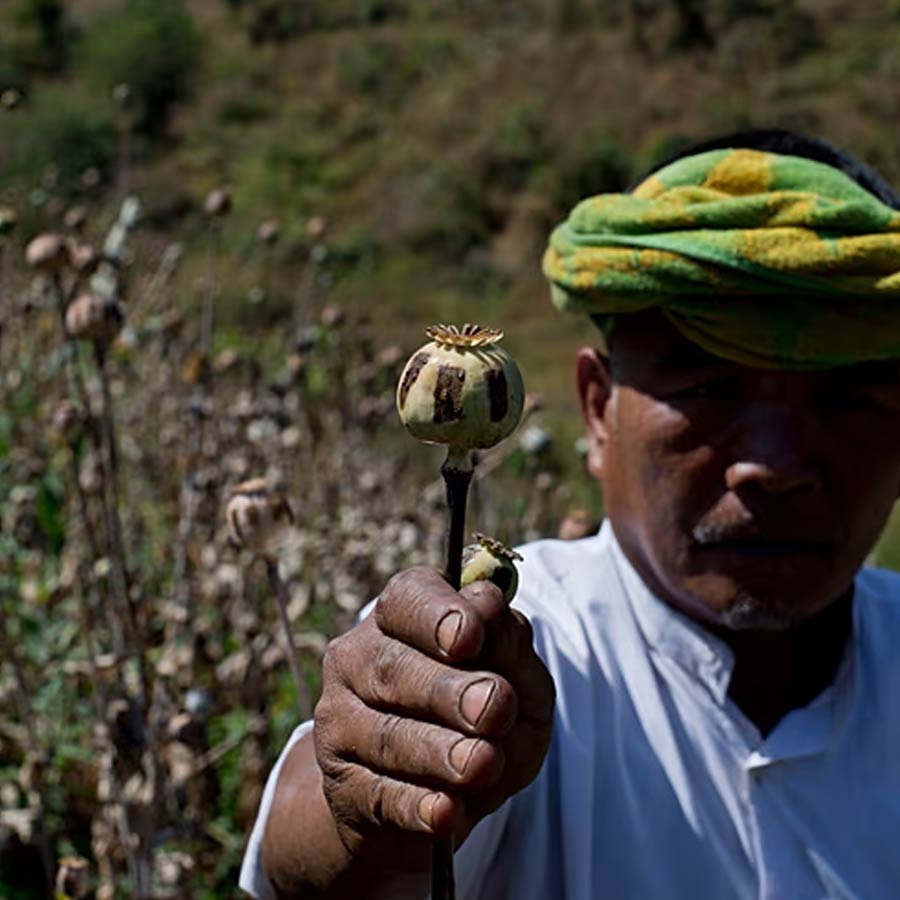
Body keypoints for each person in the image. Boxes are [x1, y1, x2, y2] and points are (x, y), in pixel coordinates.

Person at [239, 129, 900, 899]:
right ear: (596, 411)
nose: (773, 466)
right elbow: (312, 845)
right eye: (707, 390)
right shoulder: (515, 646)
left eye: (848, 397)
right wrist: (362, 805)